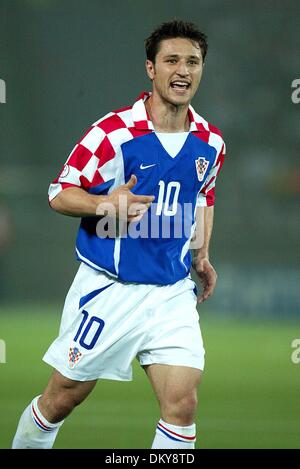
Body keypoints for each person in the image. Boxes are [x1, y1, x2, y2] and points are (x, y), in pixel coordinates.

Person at [12, 19, 226, 449]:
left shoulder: (211, 141)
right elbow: (59, 192)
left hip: (170, 292)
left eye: (193, 62)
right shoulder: (113, 133)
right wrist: (105, 205)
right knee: (61, 398)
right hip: (110, 290)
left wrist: (201, 255)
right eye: (172, 61)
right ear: (151, 68)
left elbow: (203, 196)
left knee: (182, 405)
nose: (183, 71)